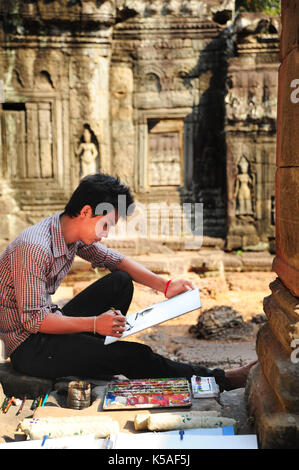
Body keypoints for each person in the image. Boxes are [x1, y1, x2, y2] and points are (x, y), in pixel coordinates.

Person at [0, 173, 255, 390]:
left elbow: (116, 261)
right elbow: (35, 320)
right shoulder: (34, 248)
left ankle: (94, 356)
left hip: (47, 327)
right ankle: (222, 379)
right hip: (30, 347)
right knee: (133, 355)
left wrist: (165, 286)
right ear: (86, 212)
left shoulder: (68, 230)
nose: (106, 234)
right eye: (106, 225)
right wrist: (96, 324)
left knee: (120, 281)